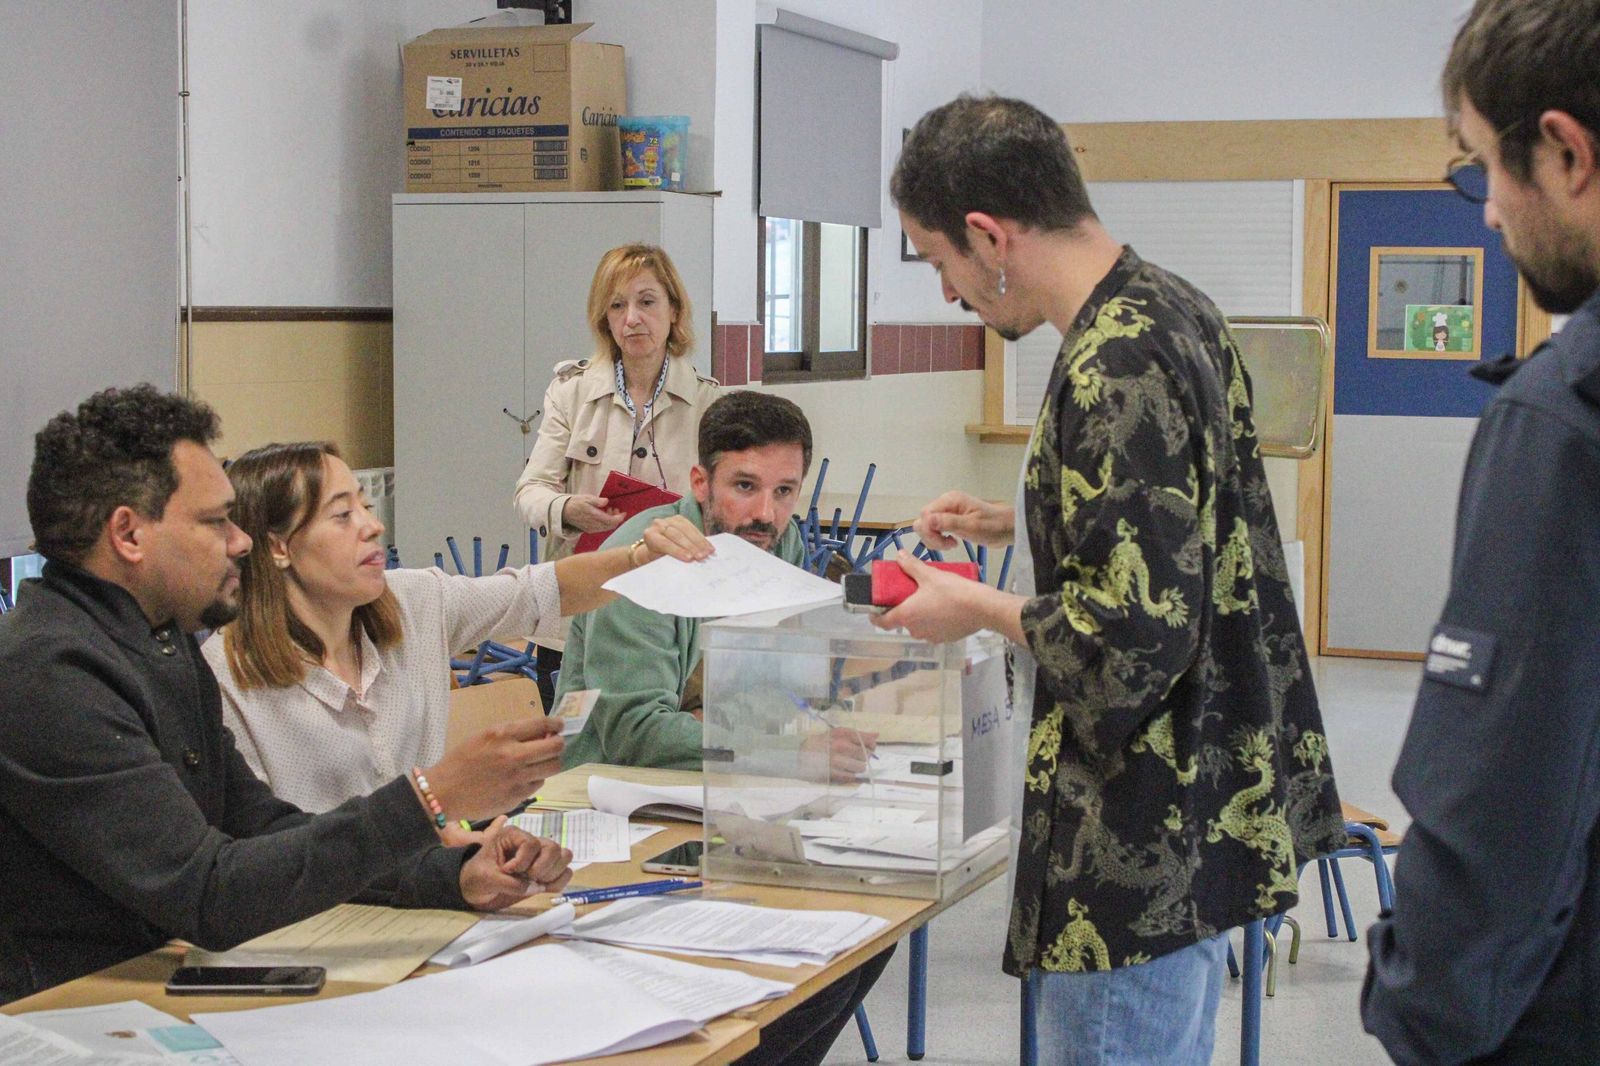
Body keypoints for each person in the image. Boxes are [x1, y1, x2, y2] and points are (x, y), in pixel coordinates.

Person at [883, 96, 1344, 1064]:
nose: (950, 297)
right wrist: (1030, 513)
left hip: (1134, 843)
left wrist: (971, 603)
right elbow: (1180, 522)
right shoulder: (1170, 306)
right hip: (1194, 824)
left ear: (987, 235)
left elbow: (1127, 639)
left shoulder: (1111, 361)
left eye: (940, 265)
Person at [0, 386, 573, 1005]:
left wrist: (453, 875)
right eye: (216, 522)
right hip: (69, 1012)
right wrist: (432, 798)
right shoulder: (51, 676)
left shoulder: (158, 640)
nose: (240, 542)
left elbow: (262, 831)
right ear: (129, 535)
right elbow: (209, 894)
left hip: (155, 987)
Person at [1362, 2, 1600, 1061]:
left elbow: (1502, 797)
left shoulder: (1559, 420)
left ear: (1565, 153)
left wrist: (1416, 1004)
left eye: (1482, 171)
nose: (1490, 213)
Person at [200, 440, 711, 817]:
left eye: (366, 506)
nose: (372, 526)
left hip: (436, 883)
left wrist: (642, 554)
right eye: (342, 515)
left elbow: (542, 592)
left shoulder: (413, 600)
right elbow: (262, 850)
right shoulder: (226, 677)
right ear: (277, 547)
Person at [555, 391, 870, 778]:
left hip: (716, 775)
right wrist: (785, 753)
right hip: (605, 790)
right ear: (700, 483)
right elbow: (635, 735)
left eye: (784, 491)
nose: (766, 514)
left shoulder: (779, 542)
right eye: (745, 486)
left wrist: (713, 723)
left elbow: (787, 690)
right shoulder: (642, 563)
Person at [515, 243, 719, 560]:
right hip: (585, 578)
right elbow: (530, 490)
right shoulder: (571, 392)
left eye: (647, 302)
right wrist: (565, 509)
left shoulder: (710, 403)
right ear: (604, 320)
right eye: (617, 306)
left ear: (674, 310)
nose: (632, 318)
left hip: (673, 576)